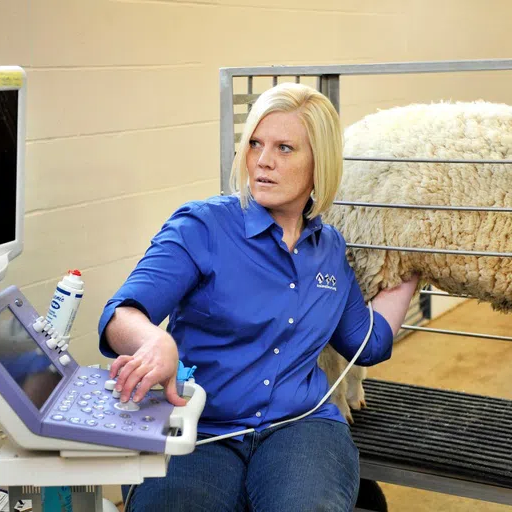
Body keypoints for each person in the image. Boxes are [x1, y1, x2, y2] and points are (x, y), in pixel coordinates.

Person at [97, 82, 419, 511]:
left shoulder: (329, 250)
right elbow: (120, 314)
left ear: (319, 164)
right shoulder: (202, 227)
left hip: (301, 429)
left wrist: (412, 263)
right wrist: (154, 341)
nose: (263, 162)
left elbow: (369, 344)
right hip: (200, 429)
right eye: (254, 144)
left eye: (285, 148)